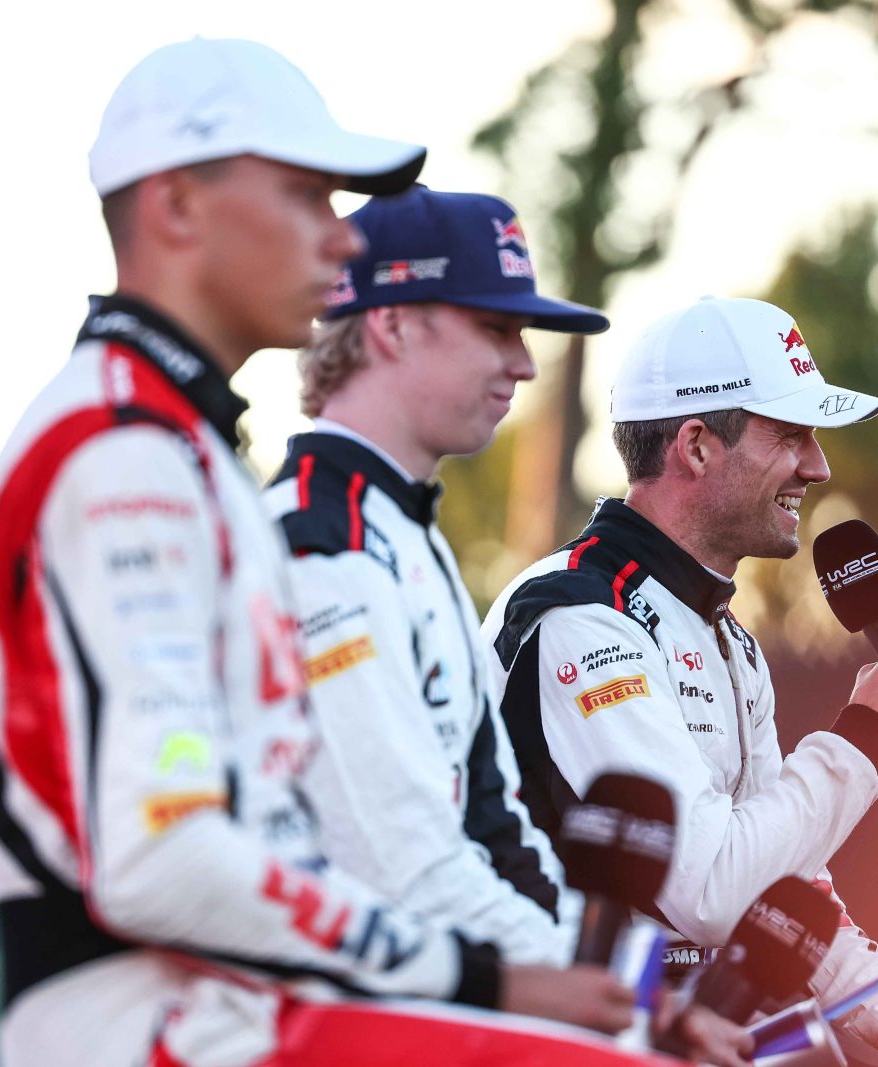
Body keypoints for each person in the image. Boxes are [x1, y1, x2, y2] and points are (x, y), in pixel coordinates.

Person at [0, 38, 657, 1067]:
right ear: (176, 206)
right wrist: (499, 982)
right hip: (149, 1022)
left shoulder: (179, 443)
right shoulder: (121, 449)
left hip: (222, 1008)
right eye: (304, 196)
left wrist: (568, 990)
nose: (341, 239)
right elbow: (164, 857)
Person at [261, 186, 755, 1067]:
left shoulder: (401, 535)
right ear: (393, 324)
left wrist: (633, 994)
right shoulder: (319, 542)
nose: (524, 365)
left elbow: (495, 828)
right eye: (496, 328)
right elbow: (399, 862)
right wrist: (622, 1011)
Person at [482, 297, 878, 1067]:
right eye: (790, 434)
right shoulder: (581, 615)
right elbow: (715, 892)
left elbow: (784, 886)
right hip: (546, 1038)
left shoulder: (726, 637)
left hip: (671, 1029)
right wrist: (869, 733)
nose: (818, 466)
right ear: (696, 446)